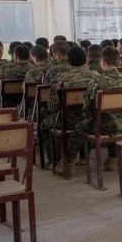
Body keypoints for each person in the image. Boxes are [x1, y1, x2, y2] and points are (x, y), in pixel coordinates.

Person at [74, 47, 122, 173]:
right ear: (119, 62)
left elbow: (87, 110)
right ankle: (112, 158)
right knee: (113, 120)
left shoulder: (96, 82)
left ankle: (68, 164)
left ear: (102, 62)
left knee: (79, 128)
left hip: (102, 127)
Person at [45, 46, 98, 178]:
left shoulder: (61, 78)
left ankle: (57, 162)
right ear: (86, 59)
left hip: (67, 122)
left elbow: (52, 106)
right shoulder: (97, 77)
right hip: (92, 122)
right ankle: (84, 157)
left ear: (67, 61)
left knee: (45, 125)